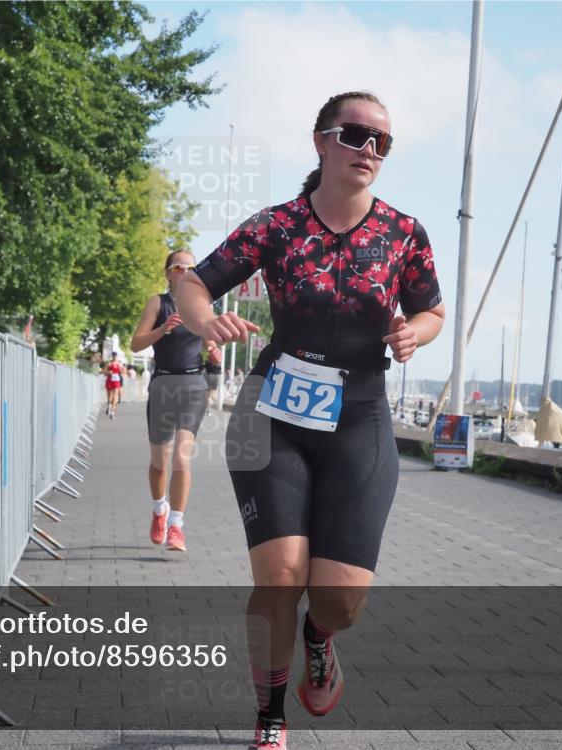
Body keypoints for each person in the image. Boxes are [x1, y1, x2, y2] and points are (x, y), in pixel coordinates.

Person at [174, 91, 445, 749]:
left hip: (359, 420)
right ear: (322, 140)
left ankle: (319, 639)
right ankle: (270, 716)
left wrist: (416, 335)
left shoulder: (403, 234)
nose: (370, 150)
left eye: (383, 141)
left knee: (338, 600)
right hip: (275, 410)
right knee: (280, 575)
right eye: (357, 136)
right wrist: (204, 318)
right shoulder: (276, 226)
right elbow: (192, 282)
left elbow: (434, 311)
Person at [130, 250, 217, 553]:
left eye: (191, 267)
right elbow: (135, 343)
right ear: (168, 273)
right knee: (159, 460)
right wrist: (162, 329)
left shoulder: (203, 306)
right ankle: (159, 510)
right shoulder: (159, 303)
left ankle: (176, 526)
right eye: (179, 267)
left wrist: (215, 356)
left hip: (194, 385)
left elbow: (211, 346)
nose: (185, 271)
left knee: (181, 458)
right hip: (163, 384)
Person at [102, 351, 124, 419]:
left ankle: (112, 412)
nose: (114, 356)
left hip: (116, 381)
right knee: (109, 396)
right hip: (109, 380)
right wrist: (109, 372)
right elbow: (104, 372)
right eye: (113, 355)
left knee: (115, 396)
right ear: (112, 356)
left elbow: (122, 372)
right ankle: (109, 407)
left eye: (115, 355)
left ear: (117, 356)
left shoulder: (119, 363)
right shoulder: (109, 363)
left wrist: (121, 370)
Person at [204, 343, 223, 415]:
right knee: (209, 395)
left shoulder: (208, 355)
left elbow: (204, 365)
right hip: (216, 376)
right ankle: (209, 408)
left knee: (207, 395)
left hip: (209, 375)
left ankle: (208, 409)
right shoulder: (218, 355)